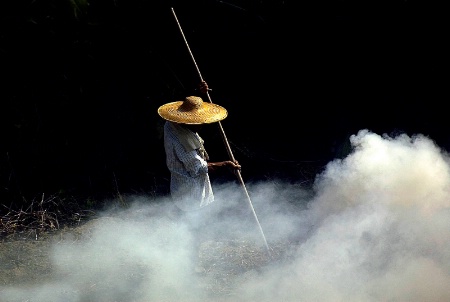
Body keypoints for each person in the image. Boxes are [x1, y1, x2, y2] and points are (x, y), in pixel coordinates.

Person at [157, 81, 241, 213]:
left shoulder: (170, 124)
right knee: (194, 222)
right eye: (197, 121)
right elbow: (198, 167)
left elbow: (189, 106)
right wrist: (225, 164)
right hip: (190, 194)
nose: (202, 124)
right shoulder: (182, 143)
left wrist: (198, 92)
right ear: (186, 121)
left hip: (179, 187)